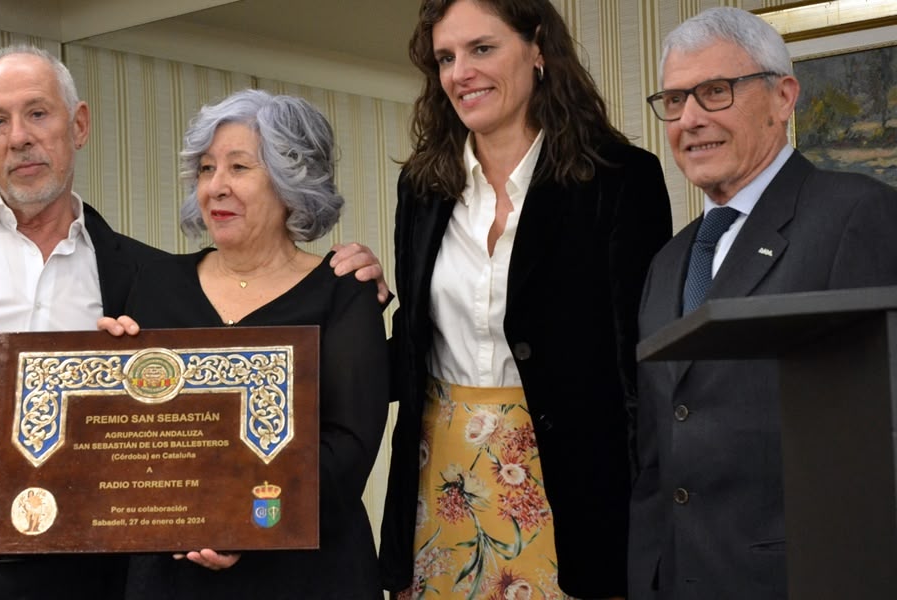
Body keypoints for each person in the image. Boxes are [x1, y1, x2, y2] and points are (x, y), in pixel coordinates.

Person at [0, 46, 384, 600]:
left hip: (89, 572)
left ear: (78, 126)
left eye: (37, 114)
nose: (19, 137)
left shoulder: (139, 274)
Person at [376, 1, 673, 598]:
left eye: (482, 49)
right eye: (446, 57)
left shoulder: (620, 178)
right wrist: (340, 302)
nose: (461, 72)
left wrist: (650, 515)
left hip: (573, 486)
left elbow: (641, 366)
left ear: (538, 48)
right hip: (440, 483)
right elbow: (415, 336)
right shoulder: (424, 187)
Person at [629, 7, 897, 599]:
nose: (689, 119)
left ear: (783, 97)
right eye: (674, 100)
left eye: (715, 92)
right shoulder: (667, 262)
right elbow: (656, 448)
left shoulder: (856, 215)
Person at [98, 89, 390, 599]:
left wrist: (243, 525)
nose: (216, 187)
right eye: (207, 169)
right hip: (173, 573)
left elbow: (349, 445)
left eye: (238, 167)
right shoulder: (155, 283)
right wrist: (106, 377)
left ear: (291, 179)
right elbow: (133, 440)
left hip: (307, 574)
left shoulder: (344, 289)